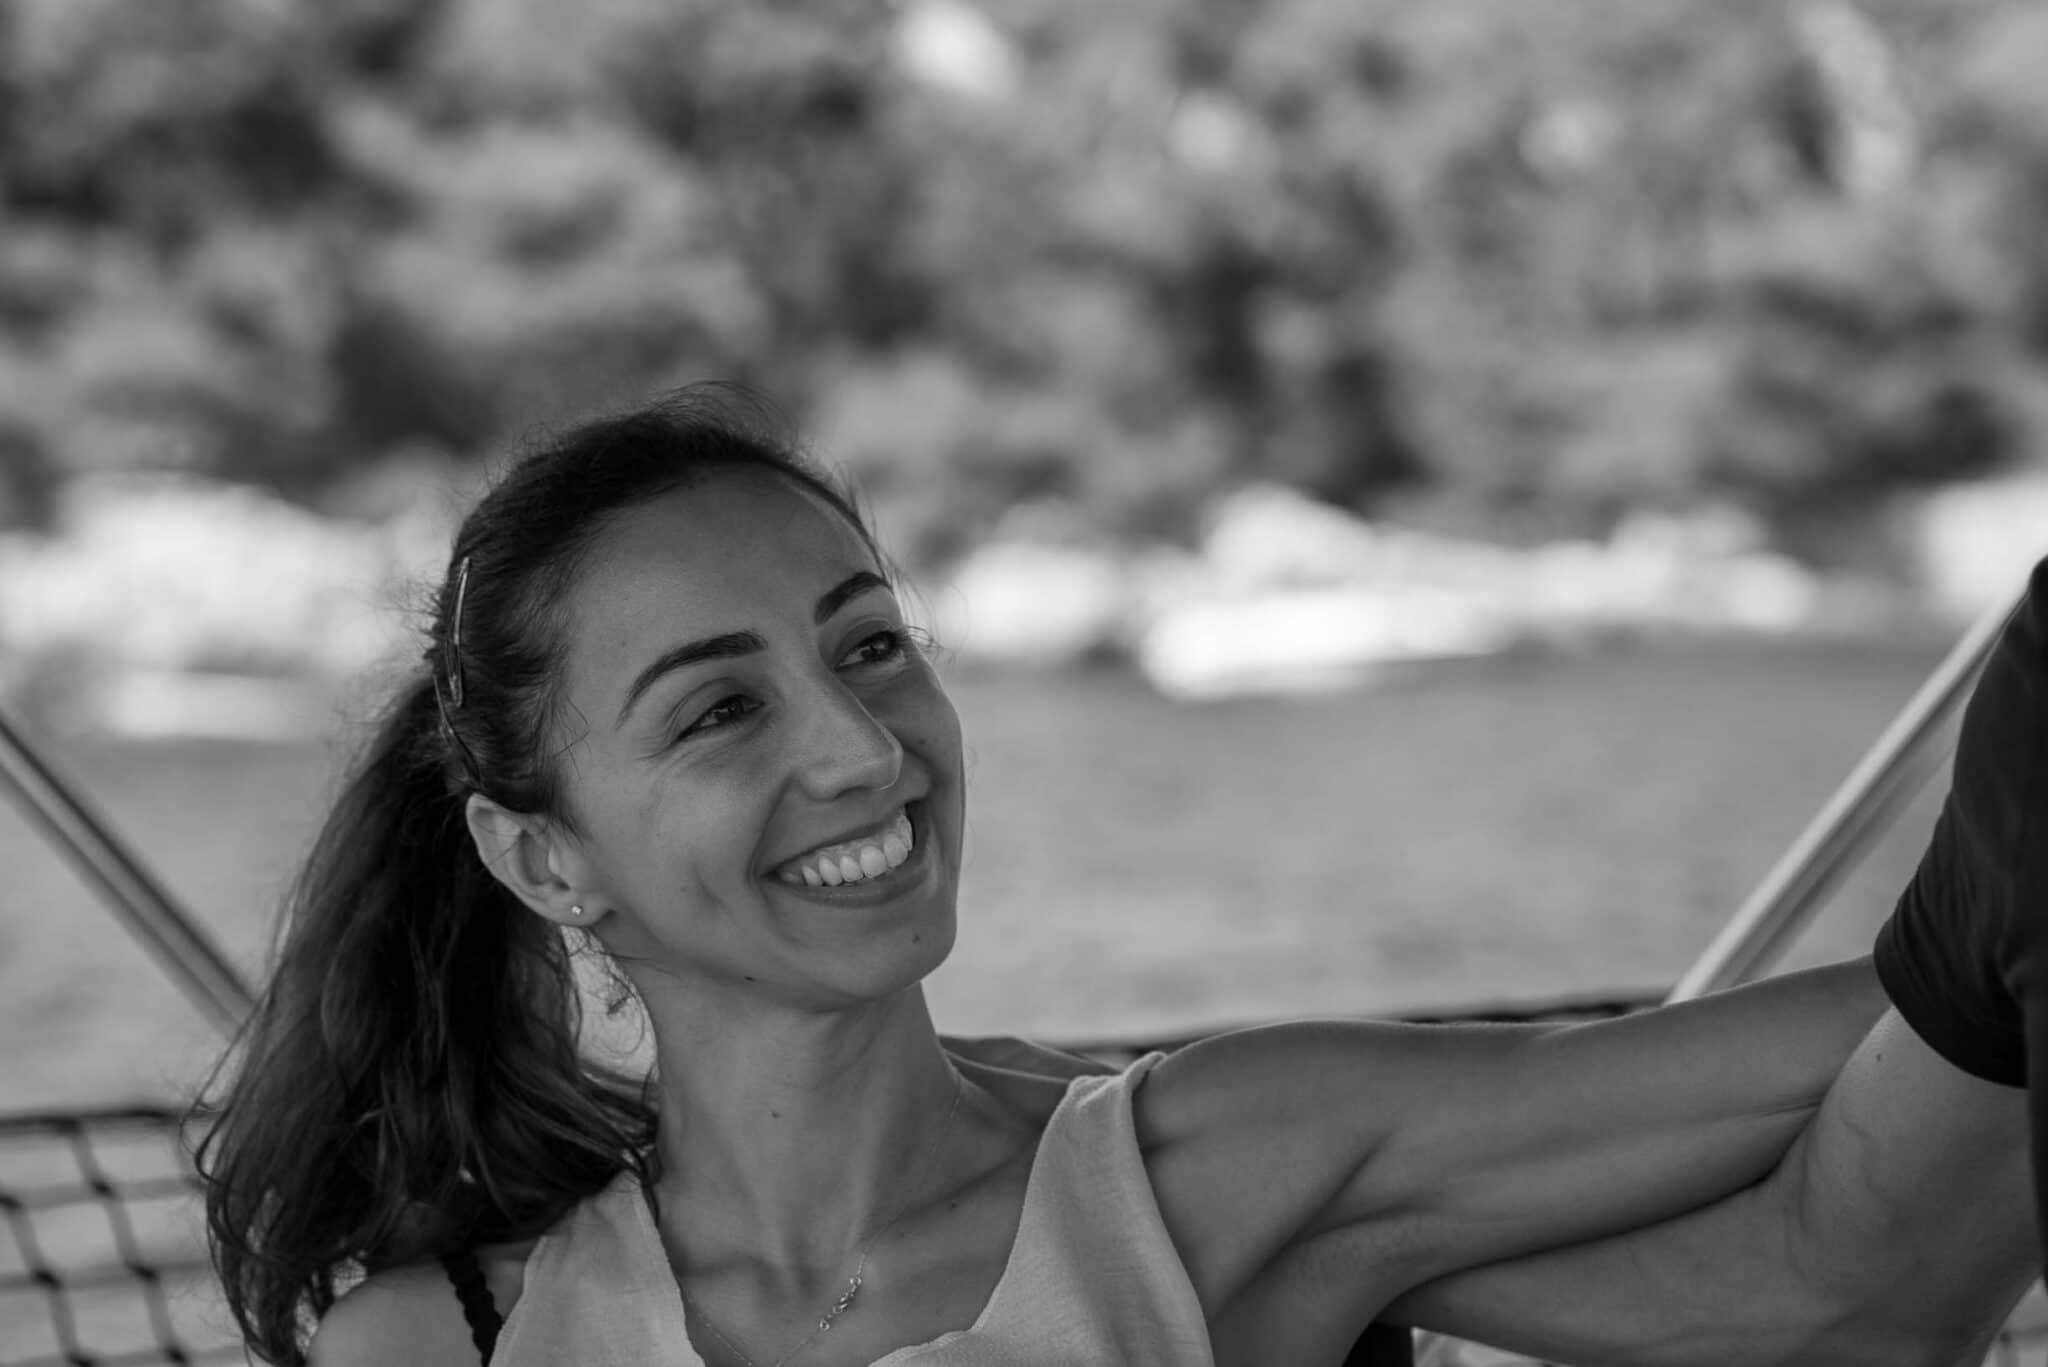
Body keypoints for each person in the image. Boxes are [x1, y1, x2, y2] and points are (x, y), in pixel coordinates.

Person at [193, 389, 2032, 1367]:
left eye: (871, 647)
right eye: (718, 711)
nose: (856, 749)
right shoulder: (449, 1344)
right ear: (541, 857)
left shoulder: (1193, 1183)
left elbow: (1879, 1119)